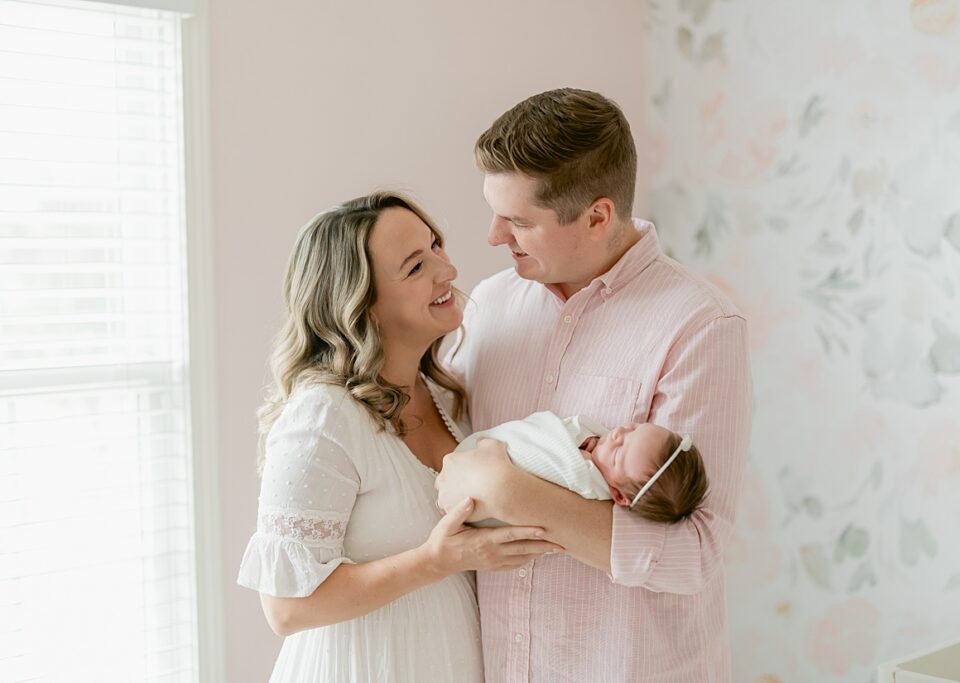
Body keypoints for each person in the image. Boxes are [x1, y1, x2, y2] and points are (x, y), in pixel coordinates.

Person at [436, 88, 753, 681]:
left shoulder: (699, 327)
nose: (493, 237)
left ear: (597, 216)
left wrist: (516, 495)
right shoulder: (489, 305)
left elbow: (696, 553)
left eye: (518, 221)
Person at [236, 192, 562, 682]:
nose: (446, 270)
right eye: (415, 267)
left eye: (435, 246)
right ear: (362, 305)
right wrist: (435, 560)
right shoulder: (323, 415)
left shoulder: (447, 398)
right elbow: (285, 608)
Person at [452, 411, 707, 524]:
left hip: (477, 486)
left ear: (618, 495)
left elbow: (552, 463)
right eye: (634, 428)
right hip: (471, 460)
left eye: (618, 453)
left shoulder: (586, 481)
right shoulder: (594, 441)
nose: (618, 433)